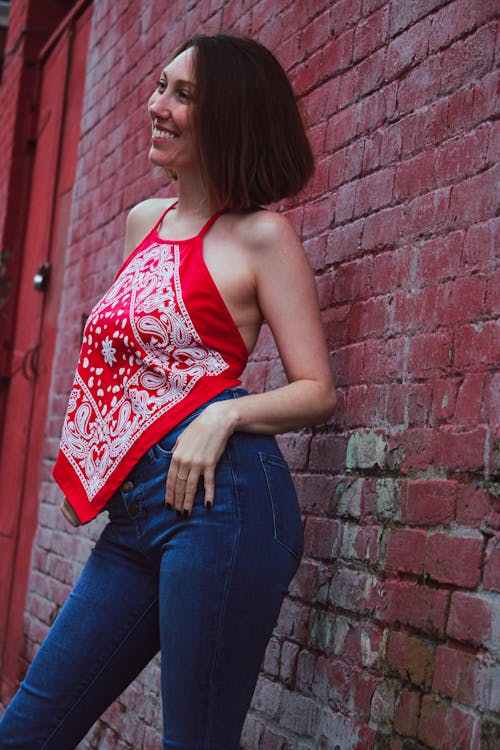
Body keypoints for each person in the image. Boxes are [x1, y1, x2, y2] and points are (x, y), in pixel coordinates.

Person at [0, 33, 335, 749]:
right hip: (135, 518)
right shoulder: (143, 224)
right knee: (28, 730)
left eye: (184, 95)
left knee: (194, 741)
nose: (157, 106)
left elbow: (316, 389)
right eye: (160, 87)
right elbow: (121, 363)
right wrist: (92, 454)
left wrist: (226, 417)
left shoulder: (263, 237)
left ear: (228, 118)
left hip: (227, 503)